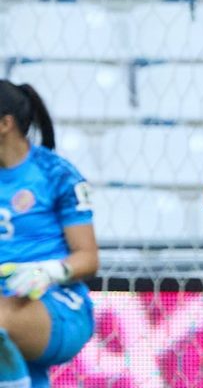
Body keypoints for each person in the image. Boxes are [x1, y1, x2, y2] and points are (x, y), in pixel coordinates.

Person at [0, 81, 98, 388]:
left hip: (55, 300)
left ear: (5, 124)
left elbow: (88, 258)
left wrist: (47, 271)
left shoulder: (56, 174)